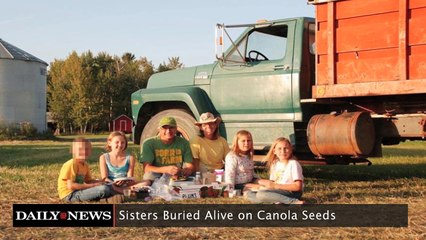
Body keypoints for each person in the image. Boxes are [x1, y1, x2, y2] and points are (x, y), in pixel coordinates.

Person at [246, 137, 304, 204]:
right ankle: (278, 200)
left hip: (292, 192)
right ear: (274, 151)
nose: (283, 151)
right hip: (278, 191)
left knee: (261, 195)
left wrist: (275, 186)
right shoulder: (274, 164)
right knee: (250, 193)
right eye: (279, 148)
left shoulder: (293, 164)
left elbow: (297, 187)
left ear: (291, 150)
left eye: (286, 148)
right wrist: (260, 187)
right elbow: (272, 183)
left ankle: (293, 202)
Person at [57, 138, 117, 202]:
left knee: (107, 186)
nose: (84, 151)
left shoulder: (85, 165)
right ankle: (106, 198)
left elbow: (88, 181)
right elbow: (71, 186)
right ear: (73, 151)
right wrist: (94, 185)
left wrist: (102, 182)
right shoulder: (71, 164)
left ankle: (106, 196)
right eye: (80, 149)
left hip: (79, 191)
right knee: (103, 189)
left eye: (86, 149)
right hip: (70, 195)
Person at [140, 116, 194, 181]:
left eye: (171, 127)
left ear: (176, 129)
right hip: (157, 174)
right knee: (148, 175)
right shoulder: (149, 143)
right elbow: (146, 168)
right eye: (164, 128)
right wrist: (166, 169)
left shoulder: (184, 143)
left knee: (194, 176)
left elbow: (190, 166)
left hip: (177, 174)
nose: (168, 131)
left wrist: (187, 170)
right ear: (159, 129)